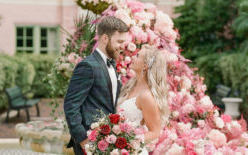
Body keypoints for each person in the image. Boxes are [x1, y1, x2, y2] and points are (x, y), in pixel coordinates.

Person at [64, 16, 129, 155]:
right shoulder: (87, 66)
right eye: (119, 41)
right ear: (105, 38)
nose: (122, 46)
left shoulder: (112, 65)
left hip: (108, 141)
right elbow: (70, 105)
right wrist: (83, 140)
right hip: (89, 143)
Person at [118, 44, 170, 154]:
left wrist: (129, 142)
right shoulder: (130, 85)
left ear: (145, 65)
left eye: (137, 56)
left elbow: (155, 131)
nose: (132, 57)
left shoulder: (147, 96)